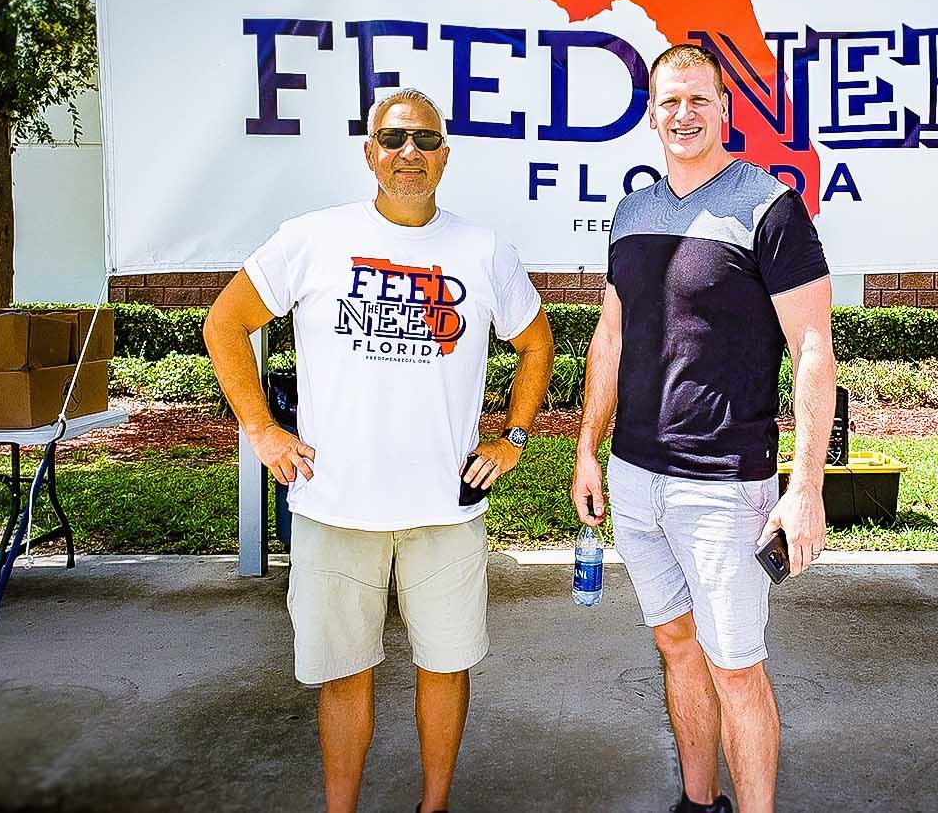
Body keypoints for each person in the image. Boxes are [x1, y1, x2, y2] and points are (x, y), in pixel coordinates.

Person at [204, 88, 554, 813]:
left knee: (446, 667)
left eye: (426, 142)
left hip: (444, 510)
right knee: (344, 675)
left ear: (446, 159)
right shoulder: (313, 237)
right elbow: (225, 323)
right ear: (370, 152)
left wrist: (513, 436)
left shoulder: (482, 249)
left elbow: (536, 340)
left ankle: (434, 806)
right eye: (394, 141)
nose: (410, 155)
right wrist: (262, 429)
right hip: (335, 506)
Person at [572, 44, 837, 813]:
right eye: (669, 102)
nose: (682, 114)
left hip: (724, 484)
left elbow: (814, 349)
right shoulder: (632, 214)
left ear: (726, 110)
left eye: (698, 100)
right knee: (675, 647)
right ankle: (698, 802)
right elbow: (612, 337)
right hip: (633, 476)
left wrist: (806, 486)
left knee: (735, 667)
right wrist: (588, 448)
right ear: (650, 114)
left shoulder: (770, 206)